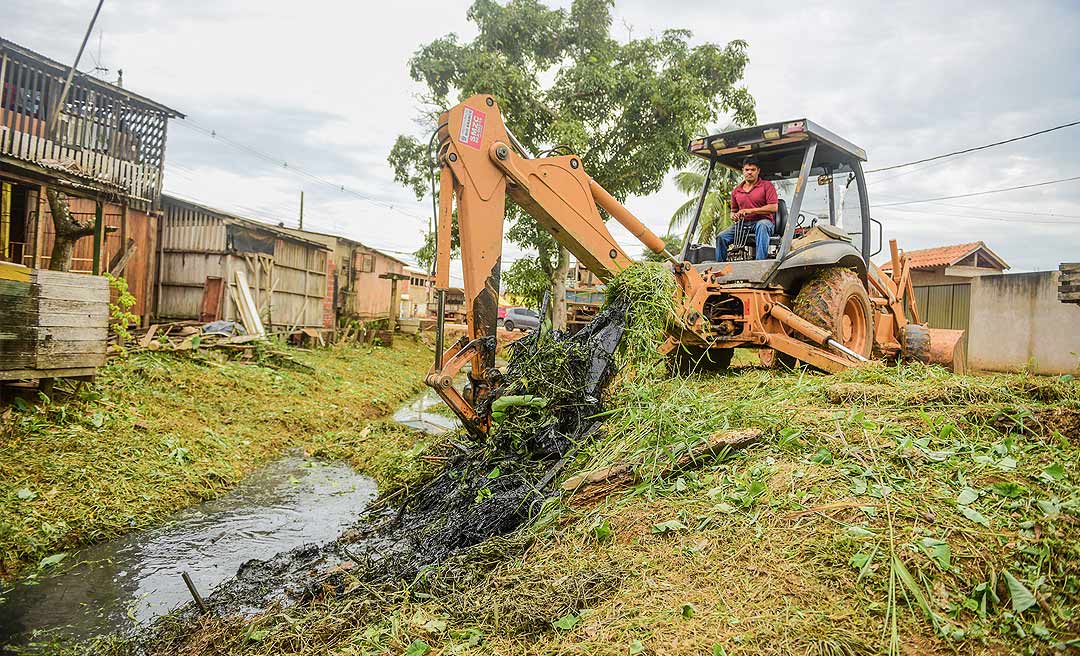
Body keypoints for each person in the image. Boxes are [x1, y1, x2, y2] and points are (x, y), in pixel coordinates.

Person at [716, 157, 778, 261]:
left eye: (753, 170)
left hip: (764, 222)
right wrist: (734, 216)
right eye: (747, 170)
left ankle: (760, 264)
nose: (749, 172)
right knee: (721, 237)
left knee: (762, 225)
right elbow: (733, 211)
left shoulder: (767, 186)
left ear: (758, 171)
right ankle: (719, 268)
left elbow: (774, 207)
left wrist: (750, 210)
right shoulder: (736, 191)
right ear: (743, 171)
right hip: (743, 225)